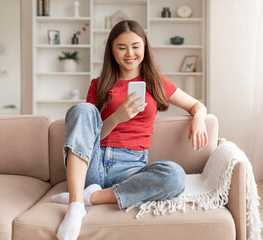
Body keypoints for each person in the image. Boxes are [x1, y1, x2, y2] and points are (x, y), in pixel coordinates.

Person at [51, 20, 208, 240]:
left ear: (144, 46)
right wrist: (116, 118)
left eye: (135, 46)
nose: (129, 53)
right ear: (112, 51)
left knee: (175, 176)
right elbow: (89, 136)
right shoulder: (99, 85)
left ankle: (91, 198)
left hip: (130, 169)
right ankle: (76, 205)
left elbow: (196, 105)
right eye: (121, 47)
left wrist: (199, 117)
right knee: (82, 109)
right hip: (92, 164)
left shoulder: (157, 83)